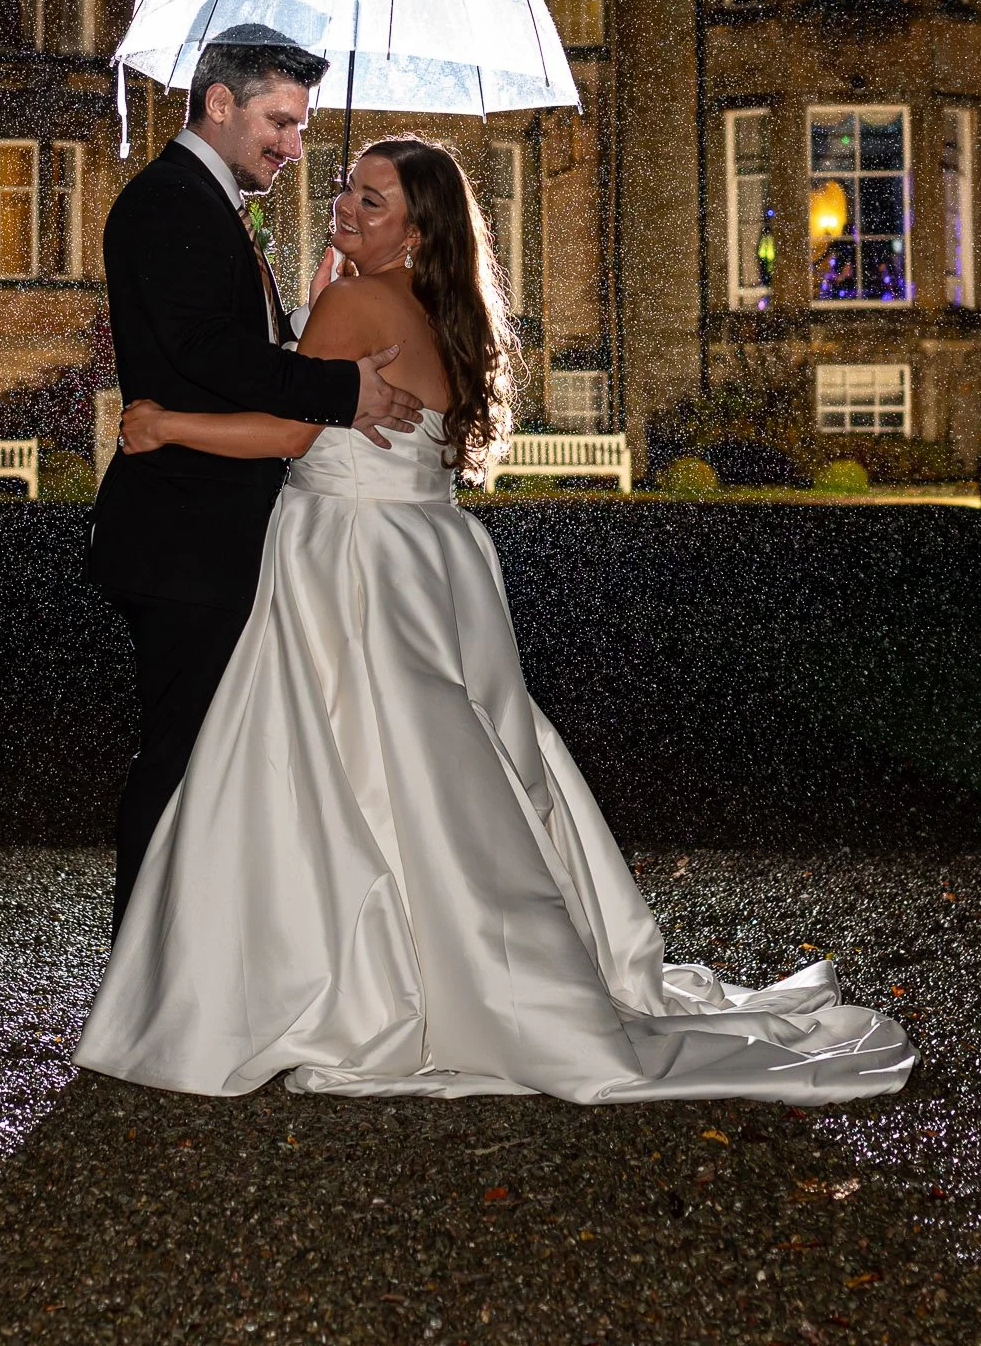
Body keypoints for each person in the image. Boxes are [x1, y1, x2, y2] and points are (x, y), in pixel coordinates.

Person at [78, 135, 916, 1103]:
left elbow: (291, 433)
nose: (344, 203)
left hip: (348, 558)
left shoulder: (352, 305)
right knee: (436, 763)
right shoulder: (445, 310)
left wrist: (164, 425)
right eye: (348, 187)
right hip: (430, 558)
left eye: (373, 200)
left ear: (416, 230)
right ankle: (442, 961)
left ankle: (338, 976)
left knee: (346, 764)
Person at [88, 25, 424, 935]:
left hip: (212, 531)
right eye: (280, 121)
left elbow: (236, 346)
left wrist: (311, 321)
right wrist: (340, 387)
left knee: (214, 760)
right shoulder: (169, 202)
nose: (294, 145)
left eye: (303, 126)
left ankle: (193, 955)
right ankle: (147, 968)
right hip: (186, 537)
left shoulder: (207, 203)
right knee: (182, 760)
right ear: (219, 103)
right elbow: (205, 351)